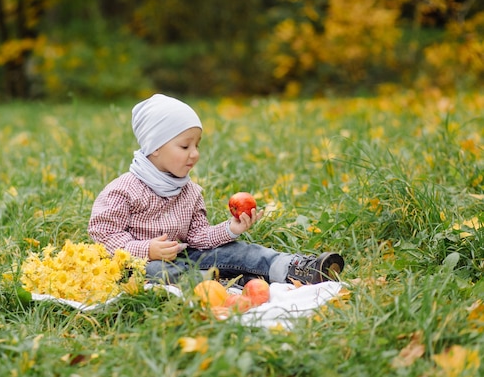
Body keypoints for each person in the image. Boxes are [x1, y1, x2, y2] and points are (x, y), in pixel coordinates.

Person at [88, 93, 344, 286]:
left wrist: (232, 229)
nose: (195, 154)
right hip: (138, 263)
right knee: (156, 273)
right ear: (155, 147)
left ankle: (298, 269)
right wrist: (146, 250)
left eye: (197, 145)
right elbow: (103, 234)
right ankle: (217, 282)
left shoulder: (189, 191)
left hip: (185, 255)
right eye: (185, 146)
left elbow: (198, 237)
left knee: (240, 251)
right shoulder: (123, 190)